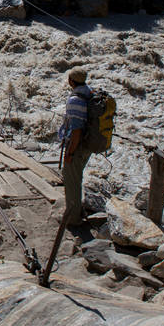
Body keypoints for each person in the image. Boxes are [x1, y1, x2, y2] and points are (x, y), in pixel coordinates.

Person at [57, 67, 93, 226]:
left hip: (77, 145)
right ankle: (78, 209)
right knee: (77, 177)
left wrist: (70, 152)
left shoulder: (75, 100)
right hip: (88, 143)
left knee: (71, 179)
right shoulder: (89, 93)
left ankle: (72, 218)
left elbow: (77, 130)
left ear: (71, 81)